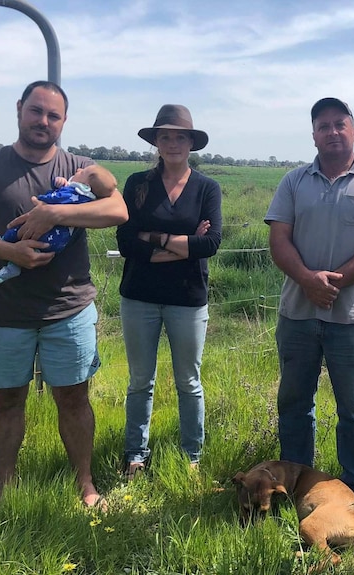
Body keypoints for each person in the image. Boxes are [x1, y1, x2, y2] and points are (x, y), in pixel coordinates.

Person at [0, 80, 128, 508]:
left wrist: (55, 211)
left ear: (63, 121)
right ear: (20, 109)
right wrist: (7, 251)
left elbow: (118, 209)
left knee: (75, 398)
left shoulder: (79, 167)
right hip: (3, 312)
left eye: (53, 115)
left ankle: (85, 482)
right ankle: (4, 487)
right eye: (36, 111)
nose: (44, 121)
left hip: (69, 309)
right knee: (5, 400)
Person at [264, 97, 354, 497]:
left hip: (353, 318)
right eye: (323, 126)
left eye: (340, 124)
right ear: (313, 135)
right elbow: (279, 239)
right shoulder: (293, 181)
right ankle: (294, 482)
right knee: (293, 402)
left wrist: (330, 284)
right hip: (298, 315)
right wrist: (307, 280)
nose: (332, 132)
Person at [116, 104, 222, 479]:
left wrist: (156, 239)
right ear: (156, 142)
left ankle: (191, 456)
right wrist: (182, 245)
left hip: (188, 299)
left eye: (180, 136)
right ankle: (135, 455)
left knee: (188, 382)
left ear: (191, 143)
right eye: (166, 136)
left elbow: (210, 244)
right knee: (140, 381)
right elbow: (127, 241)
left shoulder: (208, 187)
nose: (173, 143)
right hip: (139, 296)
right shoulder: (137, 184)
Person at [0, 164, 118, 283]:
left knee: (16, 231)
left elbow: (57, 197)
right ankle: (15, 265)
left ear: (85, 185)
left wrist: (43, 202)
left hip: (47, 234)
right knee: (30, 251)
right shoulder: (88, 198)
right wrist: (60, 182)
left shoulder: (74, 192)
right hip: (58, 242)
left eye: (83, 172)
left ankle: (3, 241)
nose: (79, 170)